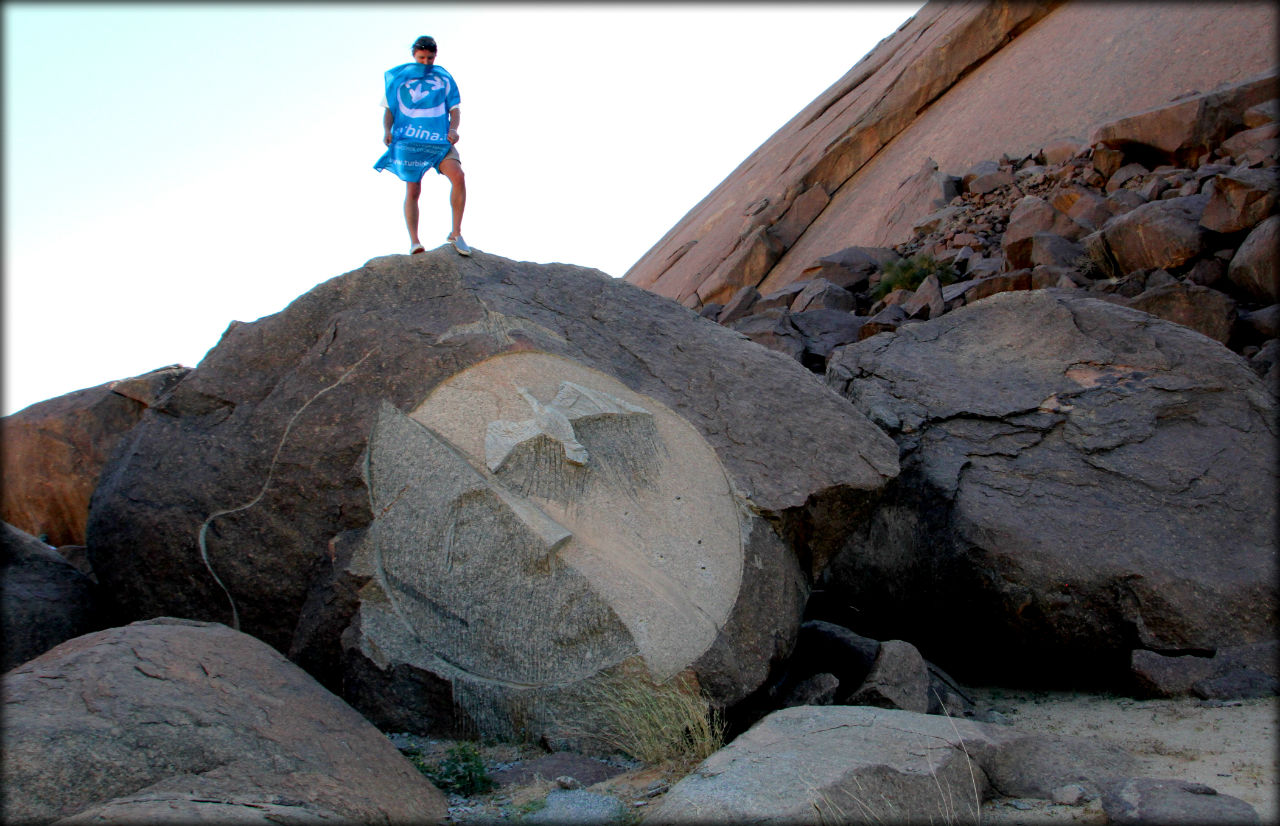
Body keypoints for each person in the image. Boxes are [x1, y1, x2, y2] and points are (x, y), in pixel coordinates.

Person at [374, 35, 470, 256]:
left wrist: (453, 129)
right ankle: (415, 242)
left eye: (430, 58)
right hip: (411, 139)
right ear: (414, 55)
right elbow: (389, 109)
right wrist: (387, 131)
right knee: (413, 188)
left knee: (458, 175)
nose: (426, 62)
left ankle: (456, 232)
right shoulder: (400, 78)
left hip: (438, 138)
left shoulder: (443, 78)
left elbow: (455, 109)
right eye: (422, 58)